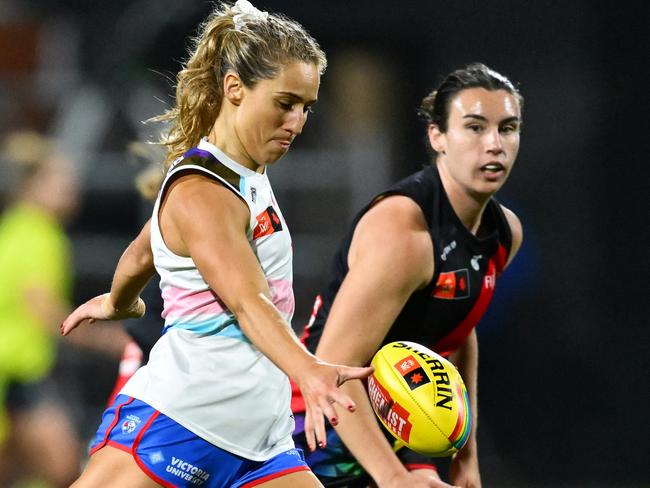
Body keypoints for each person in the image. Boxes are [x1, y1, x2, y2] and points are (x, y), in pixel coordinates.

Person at [61, 1, 373, 487]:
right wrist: (308, 372)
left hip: (261, 443)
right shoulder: (202, 192)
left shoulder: (244, 174)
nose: (297, 122)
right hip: (179, 422)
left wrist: (119, 300)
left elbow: (143, 251)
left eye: (306, 107)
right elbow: (249, 301)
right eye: (285, 103)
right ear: (234, 89)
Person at [290, 63, 524, 488]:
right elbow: (333, 368)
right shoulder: (404, 234)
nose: (494, 144)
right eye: (474, 127)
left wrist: (462, 456)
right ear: (437, 136)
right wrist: (395, 478)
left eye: (507, 128)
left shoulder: (504, 231)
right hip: (313, 431)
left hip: (387, 437)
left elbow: (457, 330)